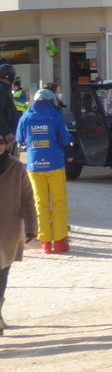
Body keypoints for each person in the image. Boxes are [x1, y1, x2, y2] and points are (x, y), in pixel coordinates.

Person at [17, 88, 74, 254]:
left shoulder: (25, 117)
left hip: (34, 166)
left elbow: (20, 140)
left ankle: (46, 243)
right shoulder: (54, 115)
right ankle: (60, 241)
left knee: (39, 203)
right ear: (51, 101)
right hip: (55, 164)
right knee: (59, 202)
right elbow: (64, 138)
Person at [0, 136, 37, 335]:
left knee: (2, 272)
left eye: (0, 143)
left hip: (8, 229)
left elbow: (27, 199)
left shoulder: (16, 168)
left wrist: (32, 227)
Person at [0, 64, 20, 151]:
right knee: (8, 163)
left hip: (8, 135)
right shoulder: (2, 90)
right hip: (5, 137)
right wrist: (7, 132)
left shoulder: (5, 89)